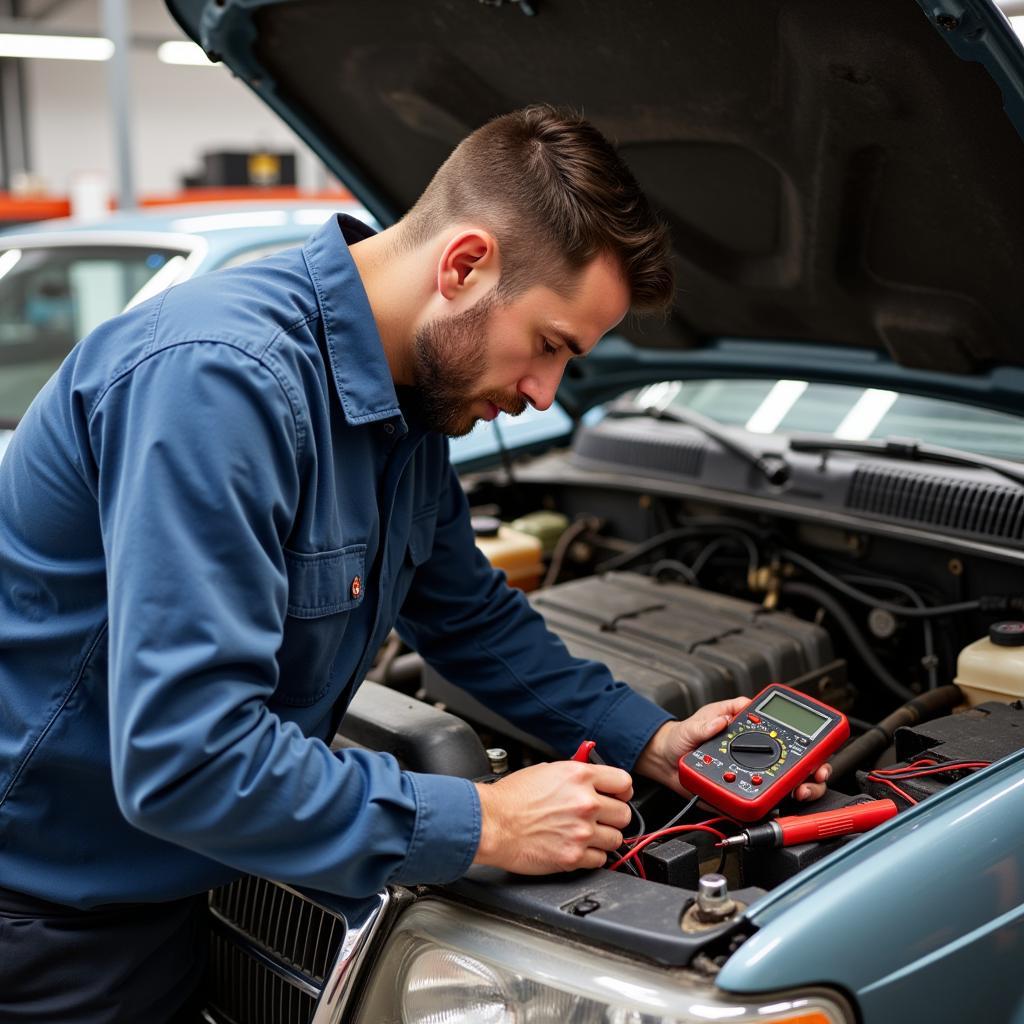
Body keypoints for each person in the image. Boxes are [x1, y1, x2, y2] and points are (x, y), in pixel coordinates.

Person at [0, 106, 828, 1022]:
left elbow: (469, 617)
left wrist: (652, 739)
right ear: (465, 264)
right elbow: (186, 761)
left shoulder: (408, 401)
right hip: (43, 922)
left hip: (168, 886)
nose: (545, 394)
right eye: (550, 344)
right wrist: (489, 822)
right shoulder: (221, 382)